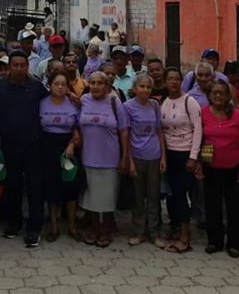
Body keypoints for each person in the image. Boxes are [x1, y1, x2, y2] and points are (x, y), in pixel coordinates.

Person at [0, 49, 46, 247]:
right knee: (12, 186)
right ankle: (14, 222)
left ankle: (34, 227)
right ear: (10, 67)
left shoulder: (37, 86)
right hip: (9, 144)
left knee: (34, 187)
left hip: (33, 145)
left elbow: (52, 100)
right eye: (15, 65)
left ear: (27, 66)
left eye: (22, 65)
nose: (19, 69)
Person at [78, 71, 130, 248]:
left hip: (109, 158)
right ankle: (94, 229)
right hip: (88, 156)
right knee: (91, 198)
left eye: (100, 83)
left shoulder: (114, 102)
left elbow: (124, 131)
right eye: (92, 83)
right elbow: (76, 123)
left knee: (107, 198)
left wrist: (124, 157)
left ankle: (106, 231)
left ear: (107, 86)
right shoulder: (84, 100)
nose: (95, 86)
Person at [200, 80, 239, 257]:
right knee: (212, 206)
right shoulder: (203, 113)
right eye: (214, 92)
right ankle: (215, 241)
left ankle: (234, 243)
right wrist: (198, 163)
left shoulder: (237, 115)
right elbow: (199, 139)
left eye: (221, 93)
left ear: (228, 95)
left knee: (233, 208)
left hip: (233, 168)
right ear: (209, 95)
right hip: (210, 167)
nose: (218, 96)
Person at [161, 67, 202, 254]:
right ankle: (175, 228)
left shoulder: (189, 101)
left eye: (177, 78)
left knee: (181, 195)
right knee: (171, 195)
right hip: (170, 154)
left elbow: (198, 129)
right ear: (165, 82)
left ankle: (185, 237)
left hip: (185, 154)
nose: (174, 82)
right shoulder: (164, 102)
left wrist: (193, 157)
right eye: (170, 79)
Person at [124, 72, 166, 247]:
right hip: (137, 156)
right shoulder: (127, 107)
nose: (145, 90)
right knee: (138, 197)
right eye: (142, 86)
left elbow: (159, 131)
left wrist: (163, 157)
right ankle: (139, 231)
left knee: (153, 196)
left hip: (154, 156)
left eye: (148, 87)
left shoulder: (154, 105)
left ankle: (154, 233)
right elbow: (126, 135)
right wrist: (129, 161)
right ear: (135, 88)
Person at [39, 71, 81, 242]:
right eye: (56, 84)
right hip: (47, 147)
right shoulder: (41, 103)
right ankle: (54, 226)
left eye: (63, 84)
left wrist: (72, 144)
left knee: (71, 186)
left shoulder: (73, 103)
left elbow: (78, 128)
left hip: (68, 147)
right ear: (49, 86)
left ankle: (72, 226)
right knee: (52, 187)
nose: (60, 87)